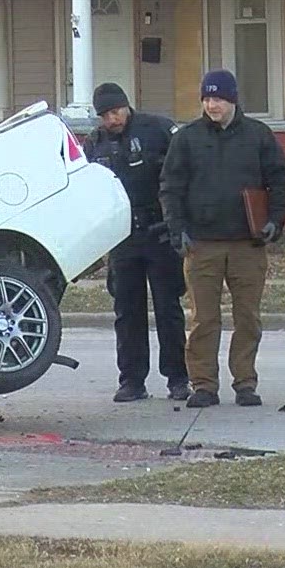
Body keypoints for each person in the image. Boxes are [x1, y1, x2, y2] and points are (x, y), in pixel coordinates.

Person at [161, 69, 285, 409]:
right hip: (201, 244)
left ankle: (245, 382)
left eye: (218, 98)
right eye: (206, 98)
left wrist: (275, 222)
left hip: (247, 244)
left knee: (247, 316)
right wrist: (178, 231)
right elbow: (170, 188)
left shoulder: (258, 136)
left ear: (233, 99)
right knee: (204, 319)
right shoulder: (186, 139)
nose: (212, 104)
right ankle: (203, 384)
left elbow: (279, 180)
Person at [85, 82, 189, 403]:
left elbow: (183, 172)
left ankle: (177, 377)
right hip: (122, 237)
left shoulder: (158, 130)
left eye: (115, 112)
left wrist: (178, 222)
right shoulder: (94, 144)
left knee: (168, 307)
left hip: (158, 231)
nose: (111, 120)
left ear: (127, 106)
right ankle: (131, 379)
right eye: (104, 115)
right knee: (127, 311)